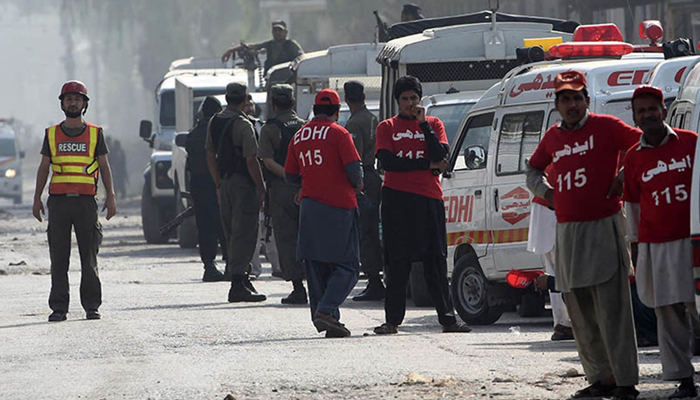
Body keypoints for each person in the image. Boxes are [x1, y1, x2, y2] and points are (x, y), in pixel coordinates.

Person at [526, 70, 641, 400]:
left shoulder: (607, 126)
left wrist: (622, 176)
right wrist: (547, 194)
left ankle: (625, 382)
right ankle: (599, 377)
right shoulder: (552, 137)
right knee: (578, 306)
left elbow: (641, 143)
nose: (572, 104)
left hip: (604, 224)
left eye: (577, 97)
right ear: (557, 104)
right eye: (566, 99)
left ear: (587, 101)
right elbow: (533, 169)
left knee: (613, 309)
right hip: (567, 229)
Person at [373, 75, 471, 335]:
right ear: (398, 102)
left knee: (435, 262)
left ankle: (448, 319)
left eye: (414, 98)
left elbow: (441, 156)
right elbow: (388, 162)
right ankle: (392, 321)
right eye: (405, 99)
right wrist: (426, 165)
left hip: (429, 199)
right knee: (397, 262)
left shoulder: (434, 124)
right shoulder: (386, 127)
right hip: (397, 200)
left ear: (421, 100)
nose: (409, 103)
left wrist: (423, 125)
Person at [623, 85, 698, 399]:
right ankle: (683, 379)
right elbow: (633, 208)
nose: (647, 115)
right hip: (657, 245)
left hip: (693, 240)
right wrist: (637, 250)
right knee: (668, 312)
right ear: (635, 117)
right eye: (641, 111)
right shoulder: (633, 157)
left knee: (696, 307)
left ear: (664, 111)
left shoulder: (691, 143)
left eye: (652, 108)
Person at [32, 80, 117, 322]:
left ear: (84, 104)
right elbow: (43, 168)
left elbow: (104, 165)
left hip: (86, 203)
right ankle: (59, 307)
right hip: (58, 203)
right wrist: (37, 198)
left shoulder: (95, 133)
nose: (72, 102)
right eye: (68, 99)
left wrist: (111, 195)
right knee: (59, 258)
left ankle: (92, 306)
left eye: (77, 99)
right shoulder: (51, 134)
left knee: (88, 257)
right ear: (62, 104)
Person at [284, 89, 363, 337]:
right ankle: (327, 310)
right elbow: (355, 173)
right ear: (337, 111)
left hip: (309, 208)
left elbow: (289, 175)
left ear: (315, 109)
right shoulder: (339, 133)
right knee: (348, 266)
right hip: (339, 207)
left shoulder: (299, 135)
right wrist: (357, 185)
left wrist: (308, 184)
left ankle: (327, 318)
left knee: (317, 266)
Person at [206, 82, 267, 303]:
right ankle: (237, 283)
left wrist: (218, 184)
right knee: (245, 233)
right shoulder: (243, 124)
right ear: (245, 99)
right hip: (243, 185)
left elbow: (210, 155)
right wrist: (262, 188)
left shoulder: (215, 121)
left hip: (225, 183)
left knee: (232, 232)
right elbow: (251, 161)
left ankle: (242, 278)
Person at [259, 84, 308, 304]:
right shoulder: (305, 126)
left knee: (286, 238)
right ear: (294, 102)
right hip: (307, 188)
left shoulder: (270, 129)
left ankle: (298, 287)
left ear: (273, 104)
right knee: (310, 236)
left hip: (281, 190)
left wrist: (288, 176)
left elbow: (267, 161)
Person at [342, 81, 385, 302]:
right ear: (364, 96)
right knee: (373, 230)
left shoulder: (354, 123)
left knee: (365, 231)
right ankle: (376, 276)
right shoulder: (372, 119)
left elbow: (353, 157)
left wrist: (353, 184)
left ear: (346, 98)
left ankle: (374, 279)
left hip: (363, 178)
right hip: (374, 176)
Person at [185, 96, 228, 282]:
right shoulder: (223, 131)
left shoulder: (193, 135)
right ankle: (231, 266)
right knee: (226, 225)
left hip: (200, 186)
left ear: (202, 112)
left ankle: (209, 266)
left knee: (205, 227)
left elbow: (190, 165)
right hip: (221, 183)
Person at [528, 168, 573, 341]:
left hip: (546, 207)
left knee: (555, 269)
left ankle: (563, 323)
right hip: (551, 208)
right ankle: (565, 324)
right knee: (562, 270)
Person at [243, 95, 282, 279]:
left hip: (266, 181)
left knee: (270, 228)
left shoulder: (262, 126)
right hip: (248, 183)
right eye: (246, 104)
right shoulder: (237, 126)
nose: (249, 108)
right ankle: (254, 269)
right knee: (253, 229)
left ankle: (278, 267)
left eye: (251, 104)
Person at [221, 20, 303, 74]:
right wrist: (230, 50)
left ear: (285, 32)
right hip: (271, 78)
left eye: (280, 30)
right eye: (275, 30)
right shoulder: (270, 45)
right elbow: (253, 46)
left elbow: (302, 59)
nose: (277, 33)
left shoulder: (291, 45)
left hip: (287, 79)